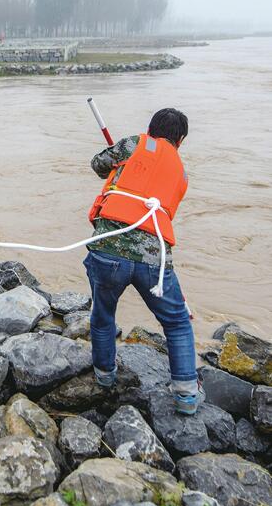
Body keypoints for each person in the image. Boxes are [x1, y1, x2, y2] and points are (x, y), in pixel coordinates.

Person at [85, 108, 203, 415]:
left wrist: (118, 164)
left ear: (150, 129)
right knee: (176, 323)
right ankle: (187, 395)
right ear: (180, 141)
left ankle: (104, 377)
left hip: (107, 251)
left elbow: (98, 164)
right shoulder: (182, 173)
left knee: (103, 314)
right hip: (154, 260)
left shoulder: (134, 143)